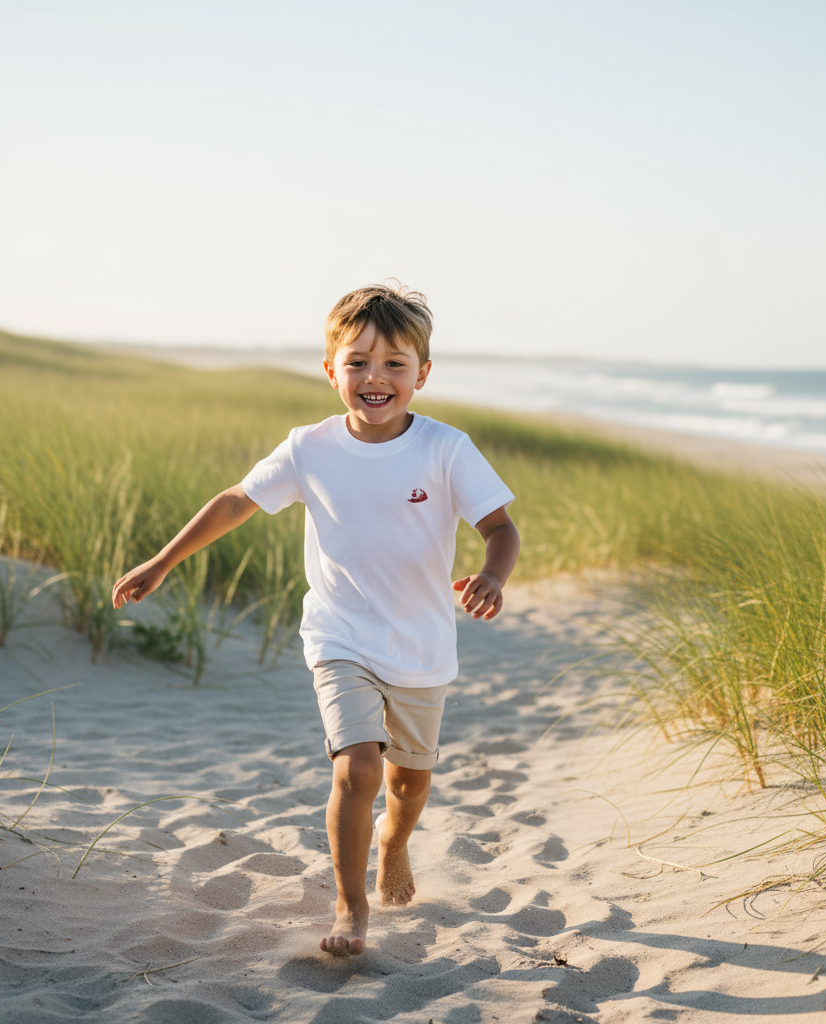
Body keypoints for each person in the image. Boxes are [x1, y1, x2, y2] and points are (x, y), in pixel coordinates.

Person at [112, 283, 520, 956]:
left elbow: (500, 527)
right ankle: (350, 907)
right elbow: (237, 500)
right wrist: (163, 560)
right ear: (331, 370)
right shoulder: (310, 448)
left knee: (408, 787)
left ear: (423, 373)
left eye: (394, 363)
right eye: (357, 362)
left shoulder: (447, 449)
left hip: (421, 646)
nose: (375, 377)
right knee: (357, 770)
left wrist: (492, 576)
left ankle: (393, 843)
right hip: (340, 638)